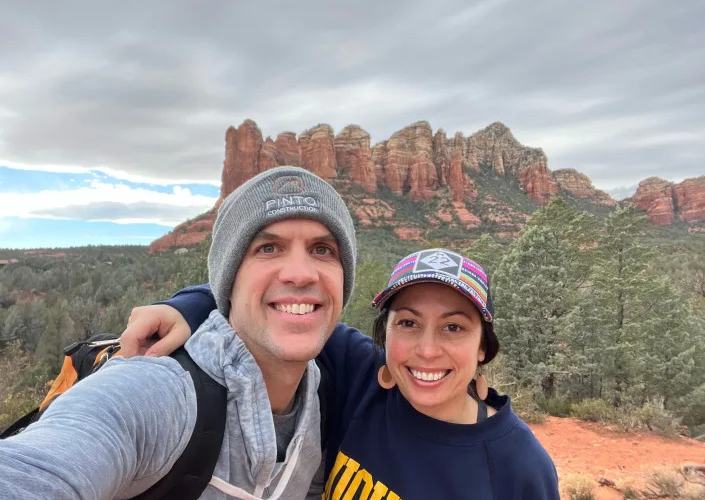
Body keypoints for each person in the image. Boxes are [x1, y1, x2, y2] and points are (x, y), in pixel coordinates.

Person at [0, 165, 357, 500]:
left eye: (322, 249)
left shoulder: (326, 399)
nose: (301, 273)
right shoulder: (159, 391)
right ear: (228, 282)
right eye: (268, 248)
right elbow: (38, 467)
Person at [125, 248, 560, 499]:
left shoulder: (518, 468)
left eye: (454, 327)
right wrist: (188, 307)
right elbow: (267, 304)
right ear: (384, 335)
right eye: (407, 323)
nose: (428, 350)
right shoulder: (359, 373)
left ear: (482, 346)